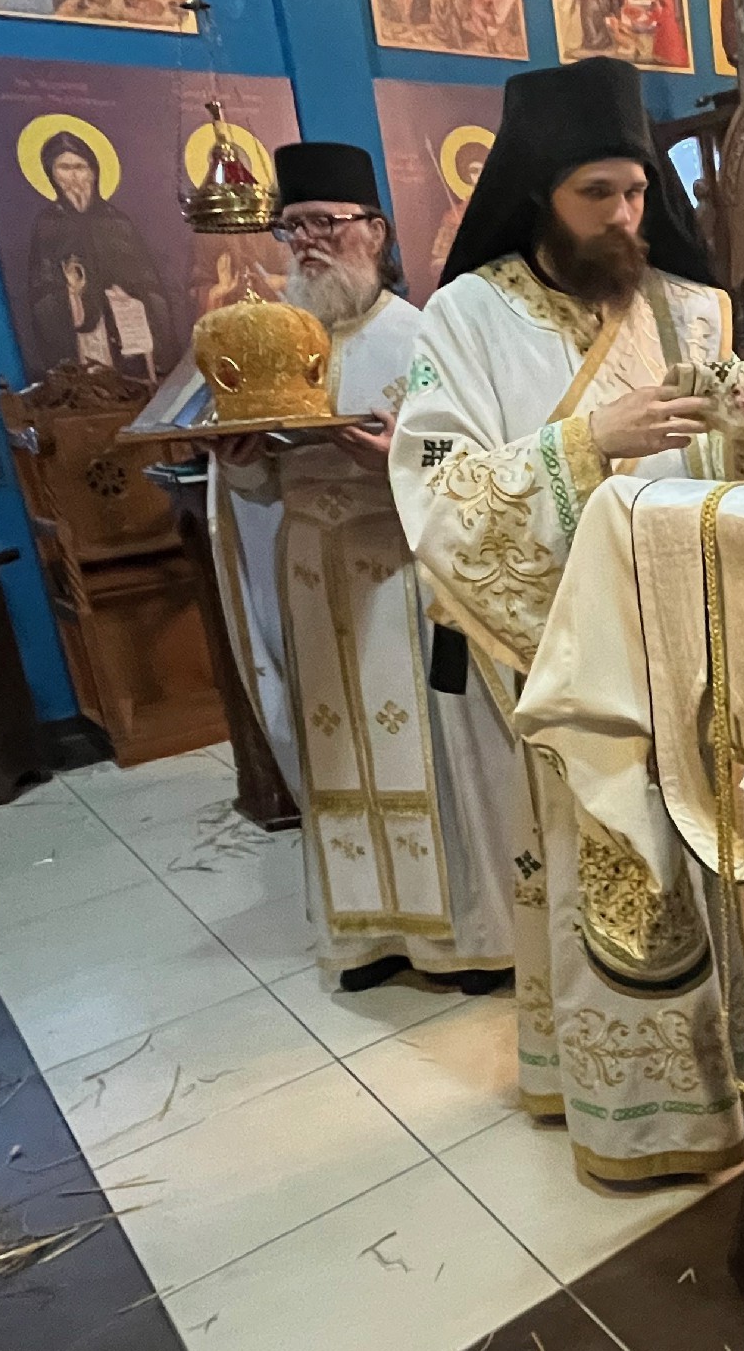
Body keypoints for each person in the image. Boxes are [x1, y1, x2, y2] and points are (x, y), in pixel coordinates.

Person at [389, 58, 744, 1182]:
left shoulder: (692, 308)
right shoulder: (466, 317)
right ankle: (633, 1113)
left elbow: (733, 484)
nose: (624, 216)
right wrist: (587, 446)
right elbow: (435, 491)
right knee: (613, 874)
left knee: (720, 862)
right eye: (596, 194)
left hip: (698, 645)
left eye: (635, 190)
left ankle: (738, 1079)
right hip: (575, 656)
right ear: (537, 193)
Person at [194, 143, 512, 995]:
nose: (306, 243)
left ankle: (469, 941)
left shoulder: (428, 336)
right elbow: (255, 488)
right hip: (310, 572)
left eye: (324, 225)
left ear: (374, 231)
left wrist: (395, 463)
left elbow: (478, 466)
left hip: (402, 570)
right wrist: (241, 463)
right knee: (334, 753)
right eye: (292, 228)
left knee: (439, 754)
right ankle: (368, 936)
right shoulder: (268, 343)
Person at [25, 132, 171, 377]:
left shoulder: (117, 222)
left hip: (126, 328)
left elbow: (149, 282)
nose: (74, 177)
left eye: (80, 167)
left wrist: (133, 294)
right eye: (64, 168)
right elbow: (42, 291)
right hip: (83, 334)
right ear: (52, 175)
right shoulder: (48, 225)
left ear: (93, 172)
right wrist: (71, 294)